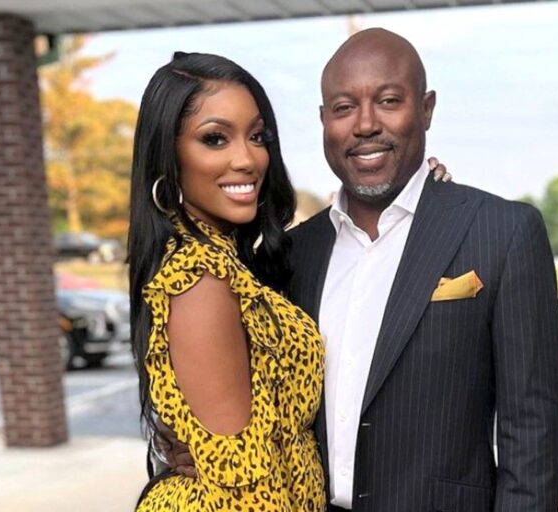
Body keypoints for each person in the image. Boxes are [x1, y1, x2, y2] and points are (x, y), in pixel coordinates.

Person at [165, 28, 558, 511]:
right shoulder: (291, 254)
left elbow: (535, 430)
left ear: (426, 109)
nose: (365, 125)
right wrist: (179, 441)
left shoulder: (502, 233)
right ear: (324, 121)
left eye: (388, 101)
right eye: (344, 108)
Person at [127, 51, 450, 510]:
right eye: (215, 139)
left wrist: (425, 198)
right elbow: (246, 488)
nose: (247, 159)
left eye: (256, 136)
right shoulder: (199, 276)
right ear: (168, 155)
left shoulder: (235, 265)